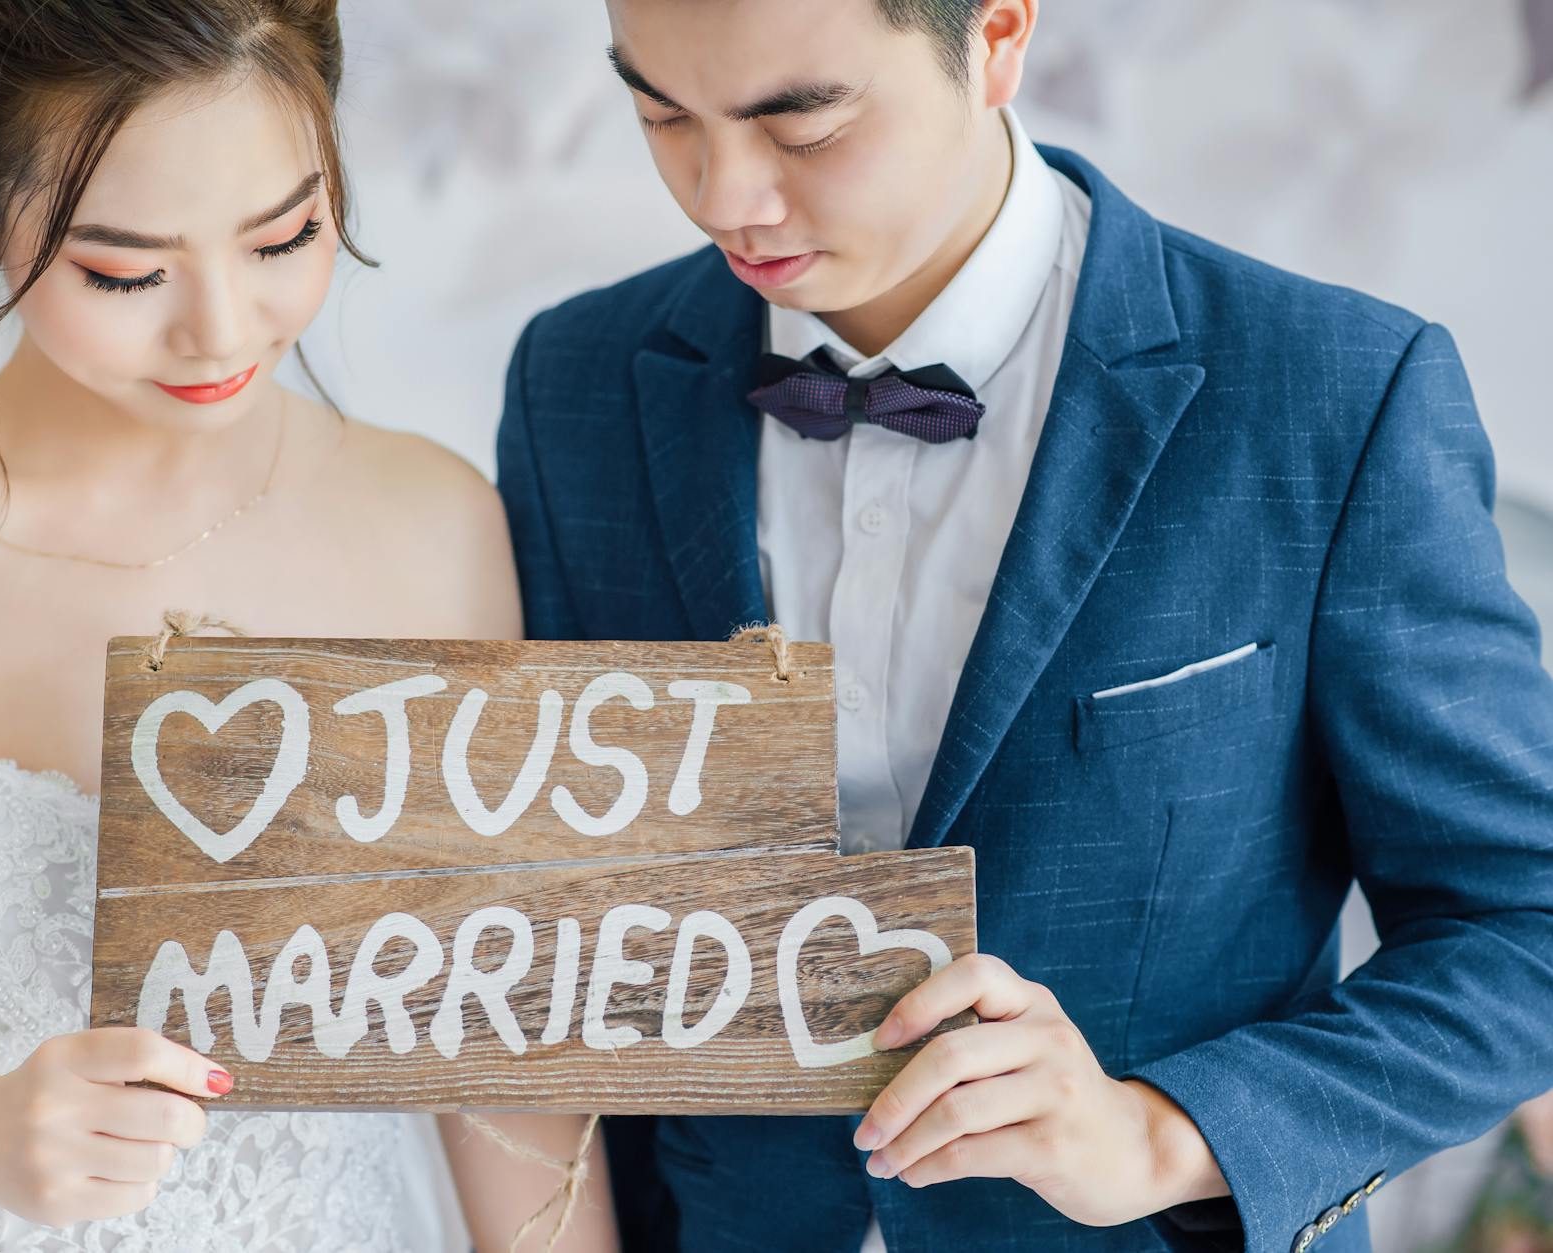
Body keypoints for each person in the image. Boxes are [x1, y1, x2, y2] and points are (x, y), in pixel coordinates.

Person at [493, 0, 1553, 1250]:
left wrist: (1164, 1130)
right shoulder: (573, 379)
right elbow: (552, 903)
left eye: (803, 122)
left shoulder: (1329, 393)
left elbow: (1518, 923)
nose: (725, 196)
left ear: (995, 36)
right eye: (661, 111)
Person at [0, 2, 616, 1250]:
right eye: (125, 270)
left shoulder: (433, 526)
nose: (222, 331)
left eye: (284, 235)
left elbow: (506, 1067)